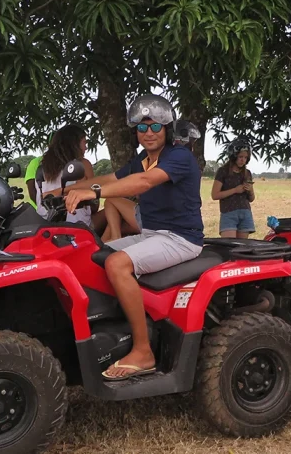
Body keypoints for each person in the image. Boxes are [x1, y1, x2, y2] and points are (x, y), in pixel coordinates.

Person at [63, 94, 203, 381]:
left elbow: (143, 182)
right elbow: (114, 178)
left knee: (117, 264)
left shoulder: (179, 156)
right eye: (141, 128)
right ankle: (108, 329)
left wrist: (93, 193)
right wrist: (62, 192)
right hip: (152, 234)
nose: (148, 133)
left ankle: (143, 350)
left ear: (167, 128)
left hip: (181, 239)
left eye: (155, 127)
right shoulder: (143, 159)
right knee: (89, 253)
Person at [35, 125, 95, 224]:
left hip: (45, 223)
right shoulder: (83, 164)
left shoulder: (42, 168)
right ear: (74, 144)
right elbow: (93, 199)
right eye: (84, 142)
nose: (86, 148)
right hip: (77, 224)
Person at [212, 138, 256, 238]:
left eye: (245, 157)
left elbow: (252, 199)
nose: (243, 160)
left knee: (242, 248)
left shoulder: (247, 173)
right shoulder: (223, 171)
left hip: (245, 213)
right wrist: (235, 190)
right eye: (240, 157)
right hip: (228, 213)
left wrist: (250, 190)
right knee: (228, 247)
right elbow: (214, 195)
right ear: (233, 156)